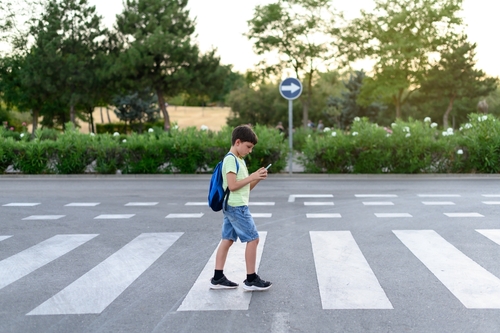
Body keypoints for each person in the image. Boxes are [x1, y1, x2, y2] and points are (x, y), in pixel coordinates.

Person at [210, 125, 272, 291]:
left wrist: (257, 178)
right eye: (248, 147)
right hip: (237, 207)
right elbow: (232, 185)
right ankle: (251, 278)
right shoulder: (231, 159)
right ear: (238, 142)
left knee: (227, 240)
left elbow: (245, 188)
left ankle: (217, 277)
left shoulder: (239, 160)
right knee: (253, 239)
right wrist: (251, 176)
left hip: (233, 206)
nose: (250, 151)